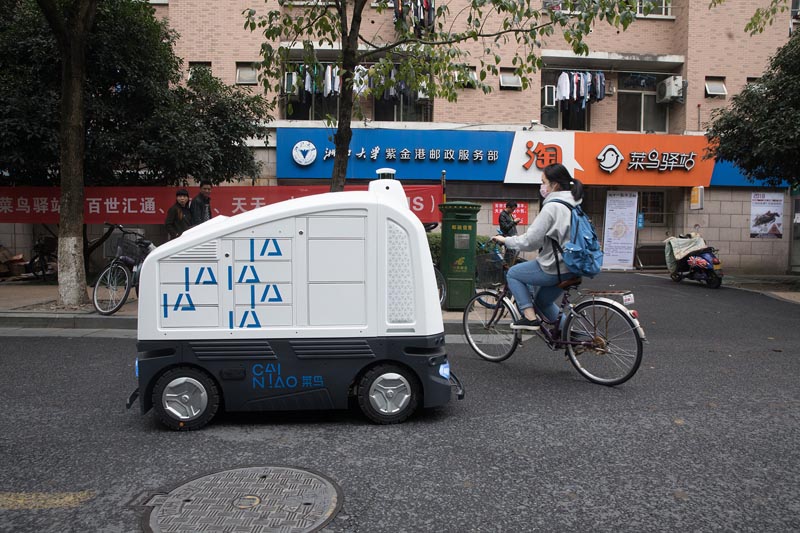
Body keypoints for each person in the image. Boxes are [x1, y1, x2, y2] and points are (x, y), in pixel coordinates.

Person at [492, 163, 583, 331]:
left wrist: (506, 241)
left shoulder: (553, 207)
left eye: (543, 182)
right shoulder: (574, 204)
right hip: (573, 265)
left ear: (554, 184)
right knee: (543, 302)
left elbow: (531, 241)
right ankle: (571, 336)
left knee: (513, 274)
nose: (541, 186)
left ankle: (530, 318)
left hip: (556, 267)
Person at [498, 201, 522, 266]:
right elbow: (505, 228)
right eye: (512, 209)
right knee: (510, 254)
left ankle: (508, 266)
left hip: (512, 236)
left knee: (515, 252)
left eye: (514, 209)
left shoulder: (509, 214)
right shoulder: (502, 215)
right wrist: (514, 222)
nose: (513, 211)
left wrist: (515, 222)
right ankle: (506, 267)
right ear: (508, 207)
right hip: (507, 237)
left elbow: (511, 225)